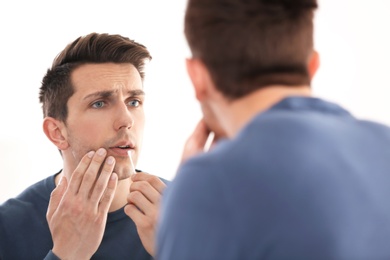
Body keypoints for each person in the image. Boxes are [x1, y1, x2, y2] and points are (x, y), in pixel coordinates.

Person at [156, 0, 390, 259]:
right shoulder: (384, 143)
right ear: (312, 65)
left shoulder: (210, 180)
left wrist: (185, 194)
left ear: (197, 76)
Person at [0, 32, 168, 260]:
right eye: (99, 103)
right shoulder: (8, 228)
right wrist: (66, 255)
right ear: (57, 132)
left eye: (134, 102)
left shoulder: (187, 212)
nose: (127, 119)